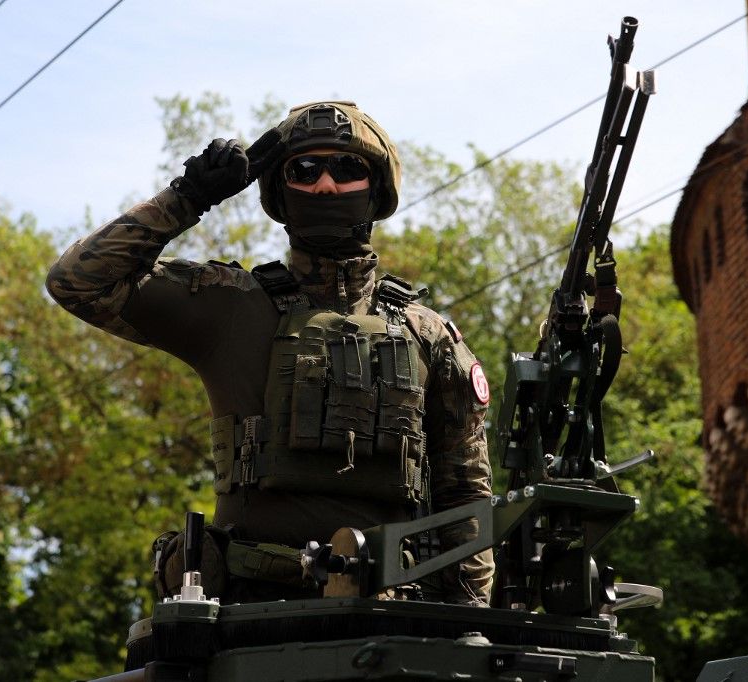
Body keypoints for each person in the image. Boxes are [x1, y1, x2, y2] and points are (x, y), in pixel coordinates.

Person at [46, 100, 494, 605]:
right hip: (246, 618)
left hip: (391, 620)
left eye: (348, 168)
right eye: (305, 169)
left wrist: (469, 623)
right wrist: (188, 197)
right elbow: (77, 282)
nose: (325, 185)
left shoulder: (429, 336)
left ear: (378, 189)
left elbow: (467, 497)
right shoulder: (229, 303)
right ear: (280, 191)